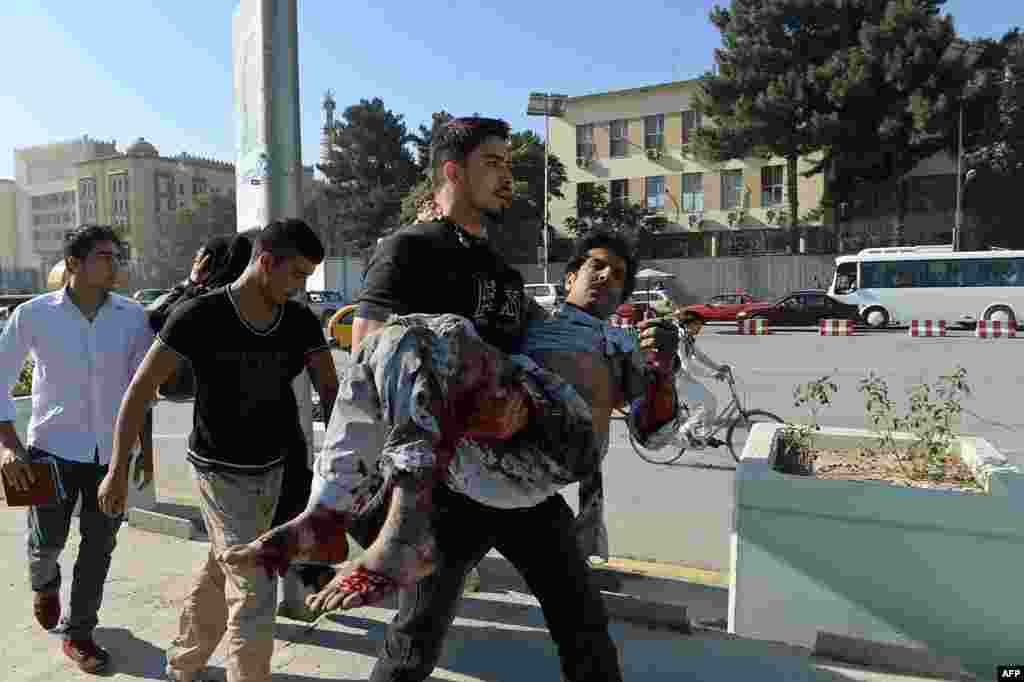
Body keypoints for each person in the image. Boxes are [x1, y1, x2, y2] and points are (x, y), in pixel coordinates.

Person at [223, 230, 680, 682]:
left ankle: (378, 532)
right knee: (415, 637)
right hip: (463, 487)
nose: (605, 277)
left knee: (583, 627)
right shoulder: (527, 319)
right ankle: (327, 513)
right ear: (572, 276)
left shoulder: (623, 347)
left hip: (537, 497)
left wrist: (662, 375)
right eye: (595, 266)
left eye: (617, 275)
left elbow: (653, 435)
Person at [97, 219, 340, 682]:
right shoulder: (200, 316)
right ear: (266, 262)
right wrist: (116, 470)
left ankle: (183, 664)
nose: (301, 287)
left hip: (277, 468)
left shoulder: (299, 320)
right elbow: (140, 389)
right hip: (219, 472)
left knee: (221, 567)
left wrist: (346, 466)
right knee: (253, 589)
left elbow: (330, 389)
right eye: (297, 275)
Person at [0, 225, 155, 674]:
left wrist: (145, 452)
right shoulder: (33, 314)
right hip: (47, 451)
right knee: (46, 542)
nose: (114, 265)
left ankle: (80, 632)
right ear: (73, 263)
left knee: (98, 547)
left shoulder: (133, 316)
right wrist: (9, 448)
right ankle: (45, 584)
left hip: (111, 455)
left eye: (116, 257)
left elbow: (140, 391)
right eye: (104, 257)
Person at [675, 309, 730, 449]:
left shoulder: (687, 338)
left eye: (700, 325)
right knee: (706, 404)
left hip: (683, 377)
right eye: (697, 324)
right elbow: (687, 366)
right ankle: (684, 431)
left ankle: (704, 436)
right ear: (687, 325)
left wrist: (718, 367)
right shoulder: (679, 339)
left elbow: (700, 356)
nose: (699, 328)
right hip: (675, 380)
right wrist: (712, 374)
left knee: (711, 402)